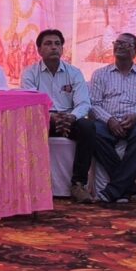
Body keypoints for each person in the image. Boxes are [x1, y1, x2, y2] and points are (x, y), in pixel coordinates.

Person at [20, 29, 94, 203]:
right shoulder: (30, 73)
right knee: (29, 126)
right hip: (43, 118)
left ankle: (78, 184)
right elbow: (30, 103)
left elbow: (84, 103)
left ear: (62, 49)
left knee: (88, 127)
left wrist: (71, 117)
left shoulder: (74, 73)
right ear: (39, 50)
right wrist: (50, 118)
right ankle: (33, 183)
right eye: (48, 44)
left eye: (57, 44)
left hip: (69, 118)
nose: (53, 47)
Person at [89, 32, 136, 203]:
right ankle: (126, 187)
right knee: (92, 131)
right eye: (117, 42)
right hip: (107, 122)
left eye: (126, 44)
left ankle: (115, 189)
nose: (120, 46)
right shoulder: (100, 74)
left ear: (135, 52)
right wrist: (109, 120)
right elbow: (93, 105)